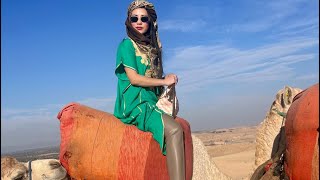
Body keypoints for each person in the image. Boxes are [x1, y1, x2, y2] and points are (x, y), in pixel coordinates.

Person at [113, 0, 185, 179]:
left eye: (143, 18)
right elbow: (134, 79)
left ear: (150, 22)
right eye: (134, 18)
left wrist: (167, 83)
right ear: (128, 21)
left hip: (150, 101)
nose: (139, 21)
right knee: (175, 130)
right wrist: (163, 81)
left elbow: (154, 79)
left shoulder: (151, 49)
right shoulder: (126, 45)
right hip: (136, 103)